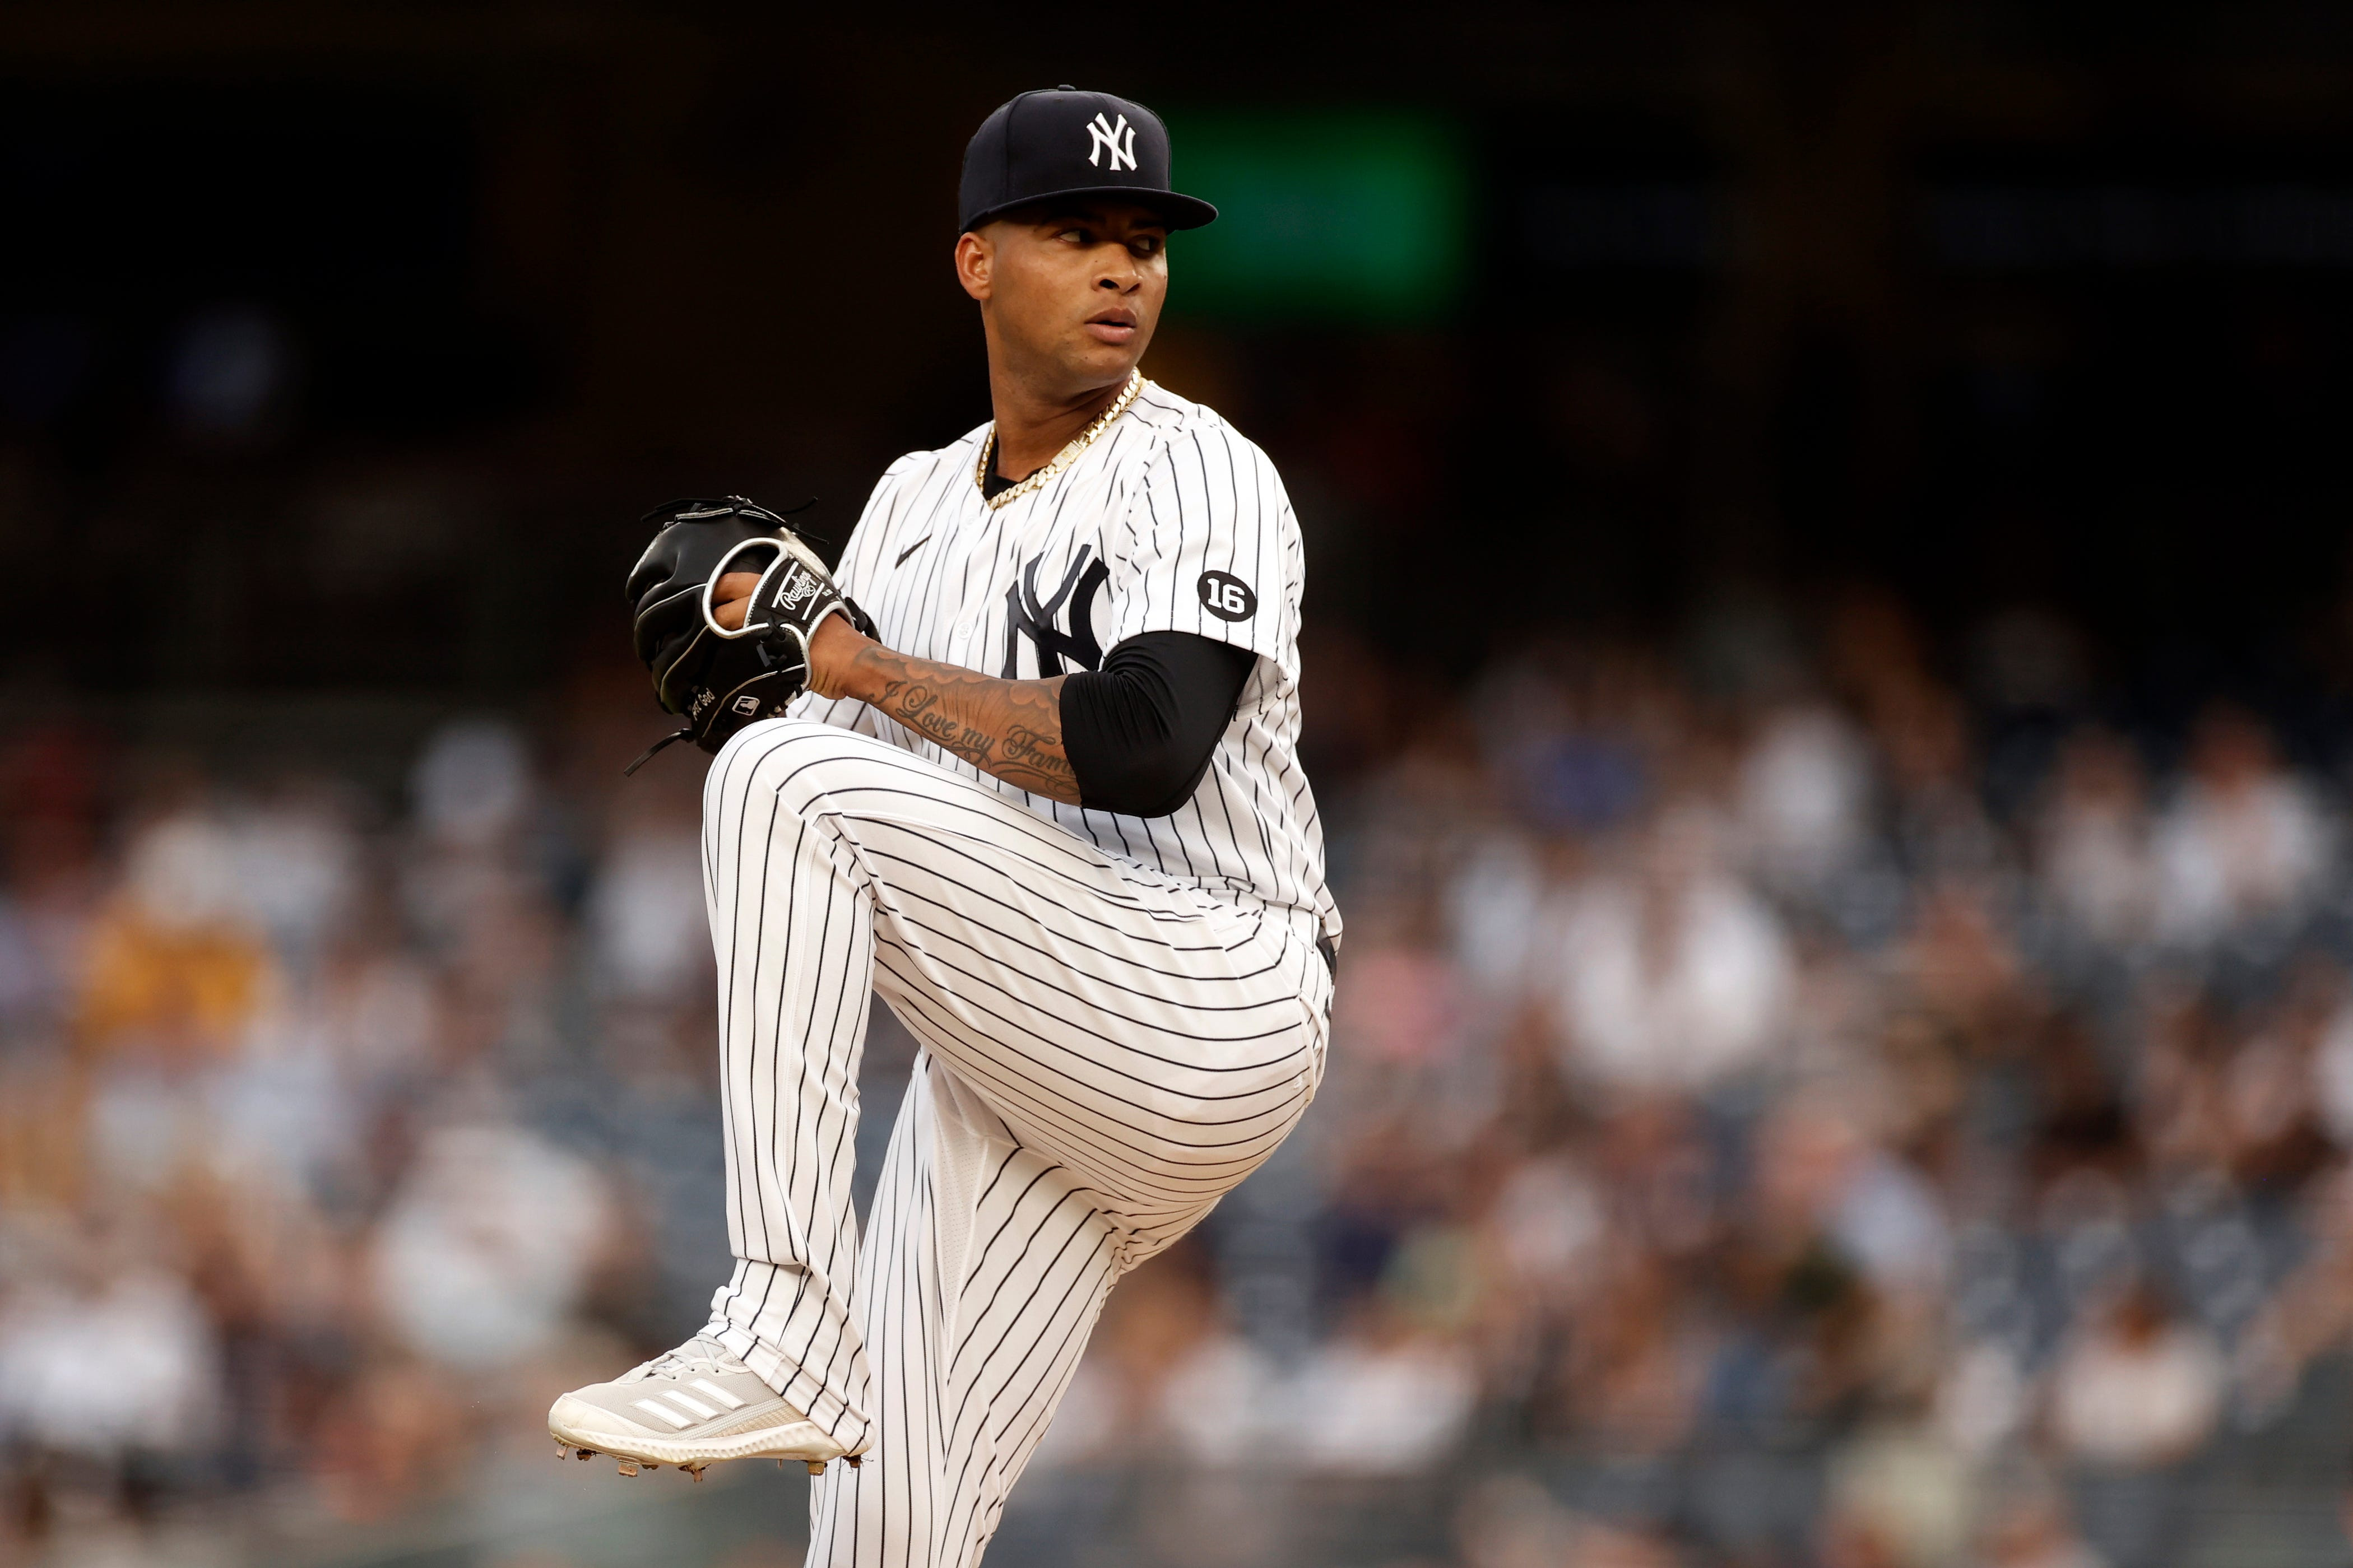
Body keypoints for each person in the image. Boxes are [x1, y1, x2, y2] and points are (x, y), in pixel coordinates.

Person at [546, 87, 1338, 1568]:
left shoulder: (1202, 468)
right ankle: (800, 1362)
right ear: (977, 261)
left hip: (1211, 985)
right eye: (1075, 234)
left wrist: (839, 672)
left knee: (784, 778)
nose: (1123, 269)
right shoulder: (911, 501)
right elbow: (838, 766)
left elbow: (1146, 743)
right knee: (882, 1528)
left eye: (1143, 242)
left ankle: (783, 1318)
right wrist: (767, 682)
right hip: (1032, 1043)